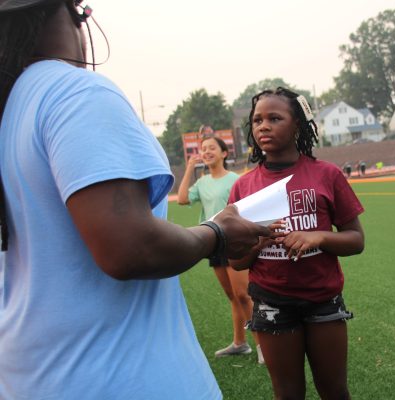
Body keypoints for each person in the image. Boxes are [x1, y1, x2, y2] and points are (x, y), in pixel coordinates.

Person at [0, 1, 272, 399]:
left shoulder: (10, 110)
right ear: (75, 10)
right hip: (121, 377)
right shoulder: (75, 92)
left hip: (33, 378)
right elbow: (130, 248)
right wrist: (216, 233)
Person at [228, 87, 365, 400]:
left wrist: (320, 236)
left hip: (323, 299)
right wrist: (259, 241)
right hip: (271, 303)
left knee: (335, 391)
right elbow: (236, 261)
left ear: (298, 126)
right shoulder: (244, 187)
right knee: (288, 394)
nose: (264, 126)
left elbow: (356, 240)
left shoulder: (327, 174)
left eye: (275, 118)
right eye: (257, 120)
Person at [177, 136, 262, 362]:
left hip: (235, 242)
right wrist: (189, 168)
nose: (206, 151)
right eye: (203, 149)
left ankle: (262, 345)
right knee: (232, 296)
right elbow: (182, 199)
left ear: (224, 153)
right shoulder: (202, 182)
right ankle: (240, 343)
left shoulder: (235, 179)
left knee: (243, 295)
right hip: (214, 243)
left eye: (211, 148)